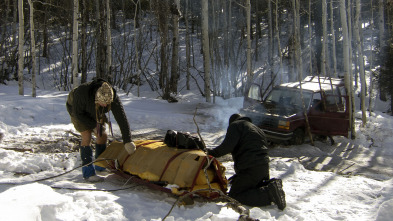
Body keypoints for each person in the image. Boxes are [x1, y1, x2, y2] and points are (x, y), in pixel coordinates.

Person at [207, 114, 286, 210]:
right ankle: (271, 184)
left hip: (250, 167)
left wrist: (210, 153)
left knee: (235, 195)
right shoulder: (256, 129)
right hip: (263, 167)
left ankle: (269, 194)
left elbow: (227, 147)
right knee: (252, 188)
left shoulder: (235, 125)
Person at [66, 78, 136, 182]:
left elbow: (122, 119)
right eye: (103, 102)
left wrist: (128, 140)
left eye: (107, 103)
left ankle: (100, 165)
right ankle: (88, 172)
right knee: (87, 135)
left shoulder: (113, 98)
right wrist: (93, 125)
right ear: (97, 98)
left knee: (102, 134)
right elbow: (78, 114)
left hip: (95, 111)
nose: (105, 105)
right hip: (77, 110)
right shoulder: (82, 94)